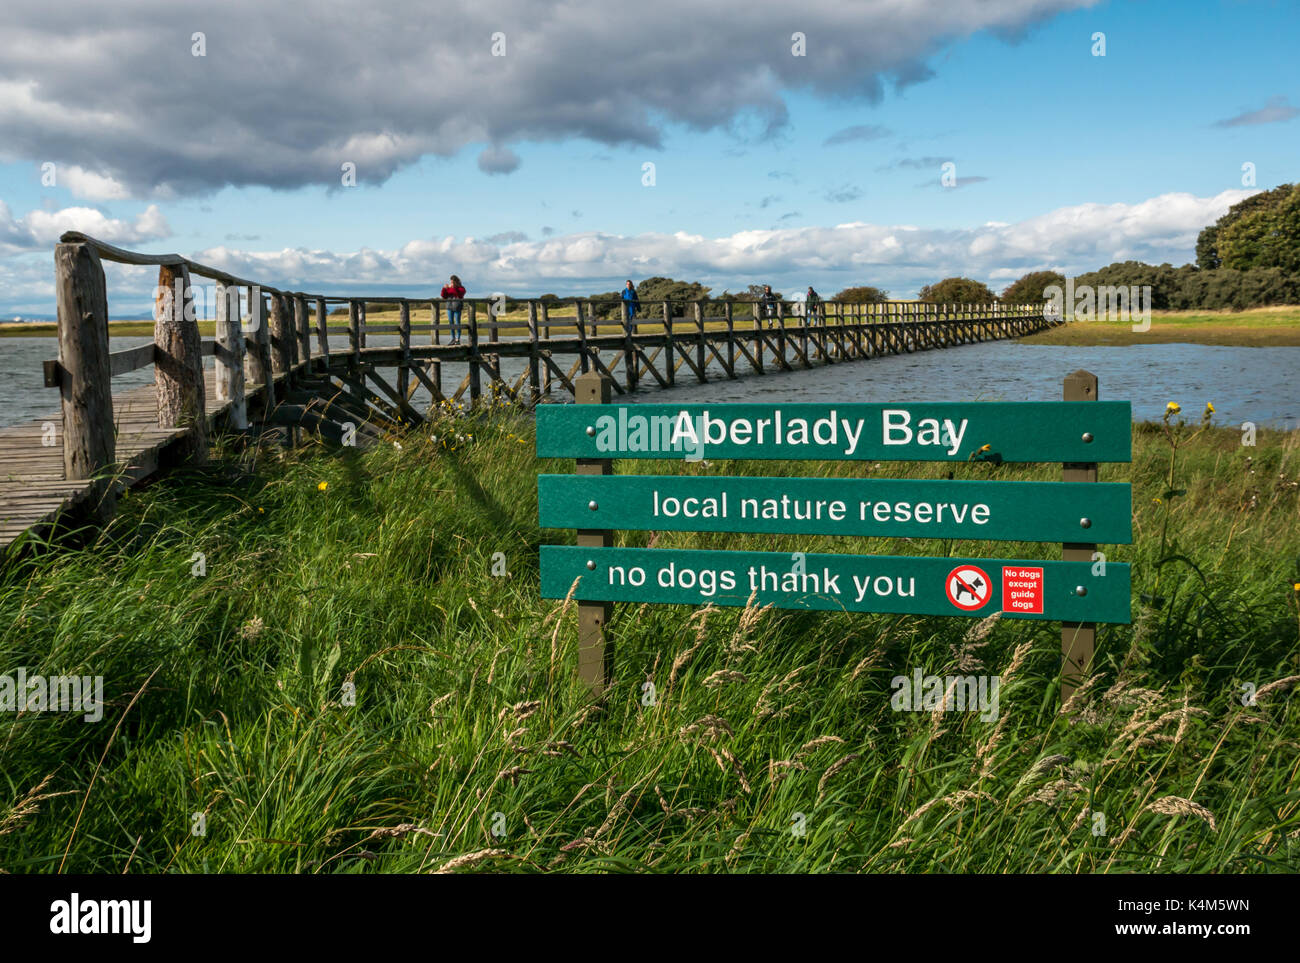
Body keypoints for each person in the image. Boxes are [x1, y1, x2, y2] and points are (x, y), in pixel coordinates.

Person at [441, 274, 466, 344]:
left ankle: (458, 339)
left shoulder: (461, 288)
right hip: (449, 307)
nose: (451, 283)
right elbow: (444, 296)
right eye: (451, 282)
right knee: (451, 323)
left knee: (458, 323)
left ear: (456, 282)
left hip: (457, 307)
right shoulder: (449, 288)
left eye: (452, 282)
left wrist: (454, 288)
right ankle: (453, 338)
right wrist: (444, 288)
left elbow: (460, 295)